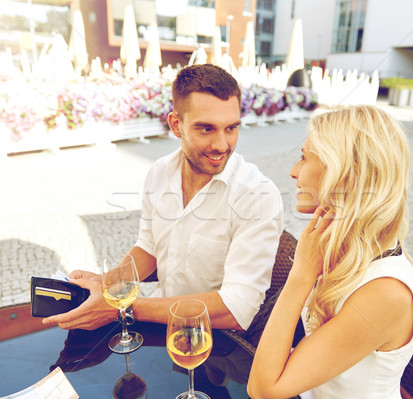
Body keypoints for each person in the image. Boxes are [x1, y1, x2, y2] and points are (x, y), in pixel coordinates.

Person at [43, 64, 283, 331]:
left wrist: (120, 307)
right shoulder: (159, 172)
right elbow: (149, 247)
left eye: (231, 128)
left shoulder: (258, 195)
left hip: (219, 339)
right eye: (206, 129)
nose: (221, 145)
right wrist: (106, 285)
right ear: (175, 125)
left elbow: (236, 309)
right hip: (161, 318)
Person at [247, 105, 413, 398]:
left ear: (345, 174)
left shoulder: (385, 292)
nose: (293, 172)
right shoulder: (347, 252)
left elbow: (263, 389)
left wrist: (301, 274)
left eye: (304, 158)